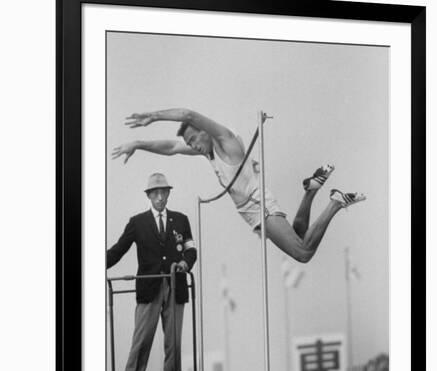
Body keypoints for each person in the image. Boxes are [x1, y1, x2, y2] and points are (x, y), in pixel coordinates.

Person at [112, 108, 366, 263]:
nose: (191, 146)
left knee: (302, 253)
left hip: (260, 209)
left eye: (192, 139)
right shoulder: (207, 152)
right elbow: (170, 148)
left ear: (204, 131)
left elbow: (188, 114)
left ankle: (335, 202)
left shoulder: (226, 142)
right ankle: (310, 190)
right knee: (299, 233)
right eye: (189, 143)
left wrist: (154, 116)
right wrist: (137, 143)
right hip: (257, 211)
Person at [107, 172, 197, 371]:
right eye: (155, 193)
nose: (159, 197)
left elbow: (191, 250)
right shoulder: (137, 222)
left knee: (173, 344)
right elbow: (118, 250)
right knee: (142, 341)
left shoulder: (181, 220)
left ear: (168, 193)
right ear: (149, 196)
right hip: (149, 288)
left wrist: (185, 264)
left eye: (163, 192)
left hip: (175, 287)